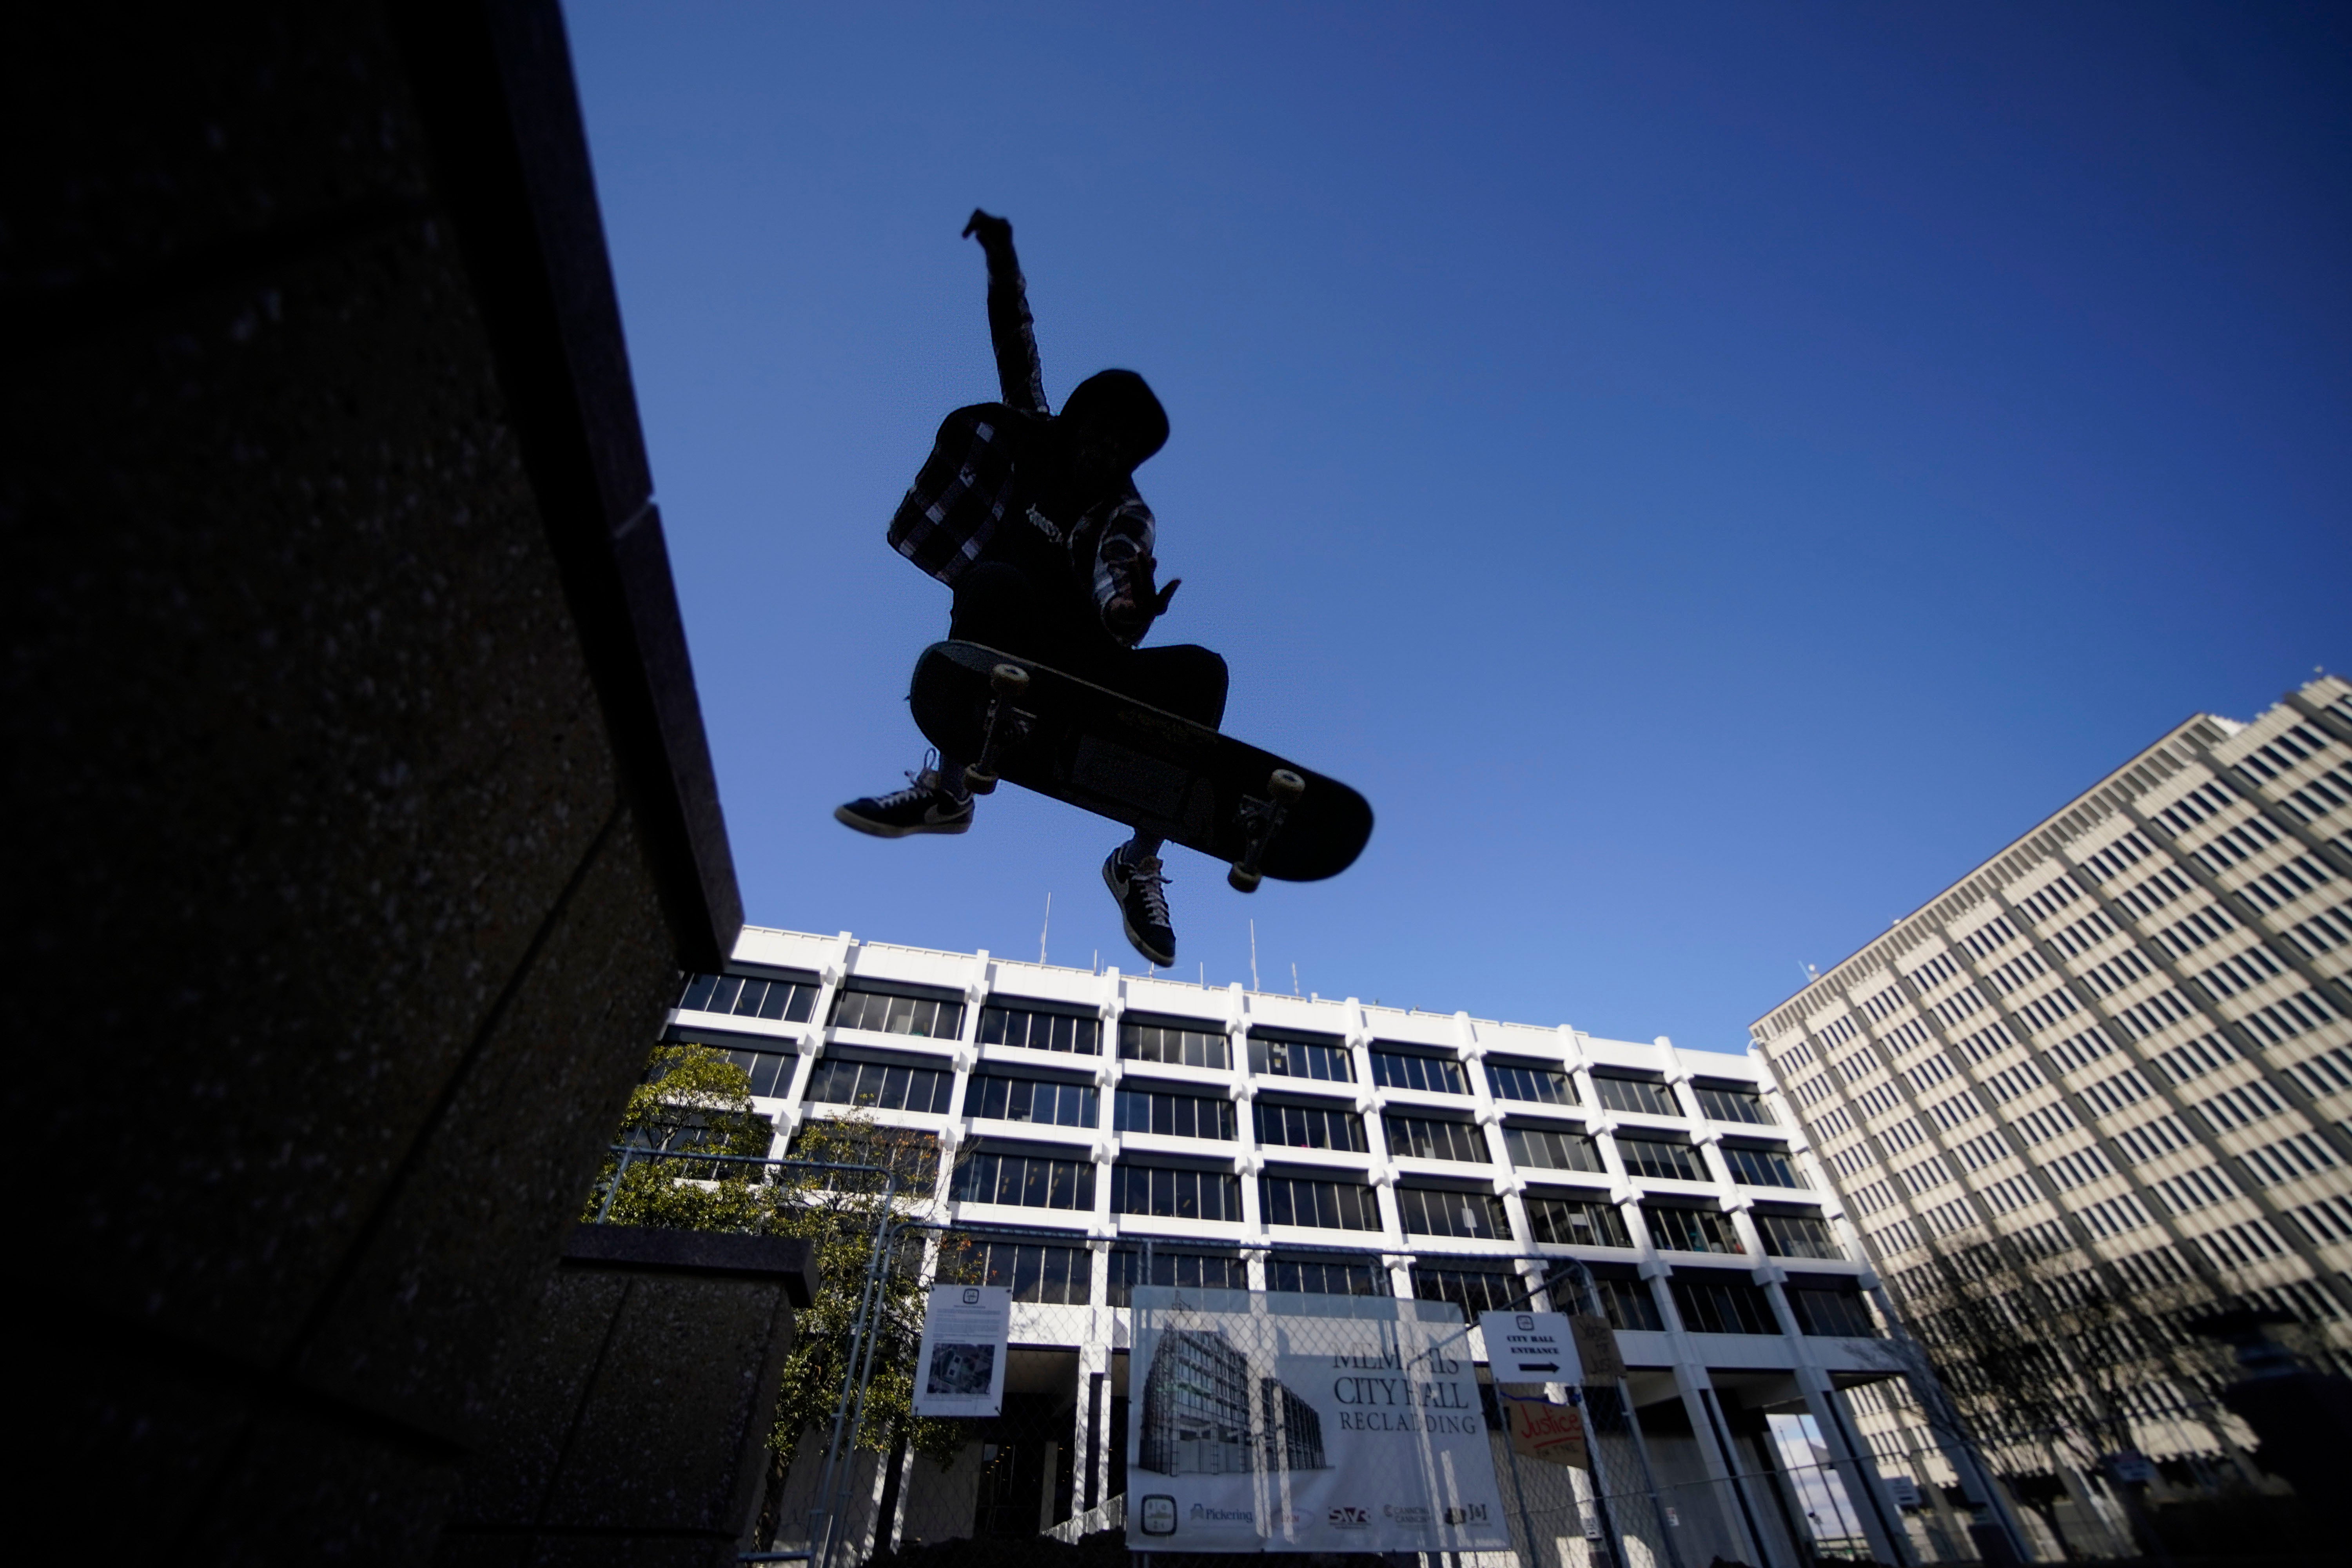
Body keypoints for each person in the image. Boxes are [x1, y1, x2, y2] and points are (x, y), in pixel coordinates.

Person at [835, 210, 1228, 968]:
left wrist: (1125, 608)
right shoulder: (1031, 435)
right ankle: (949, 789)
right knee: (992, 579)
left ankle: (1138, 863)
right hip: (1009, 647)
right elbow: (1014, 341)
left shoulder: (1127, 512)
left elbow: (1119, 567)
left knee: (1205, 673)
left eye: (1120, 450)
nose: (1102, 455)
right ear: (1076, 423)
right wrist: (1004, 255)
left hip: (1084, 664)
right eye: (1097, 435)